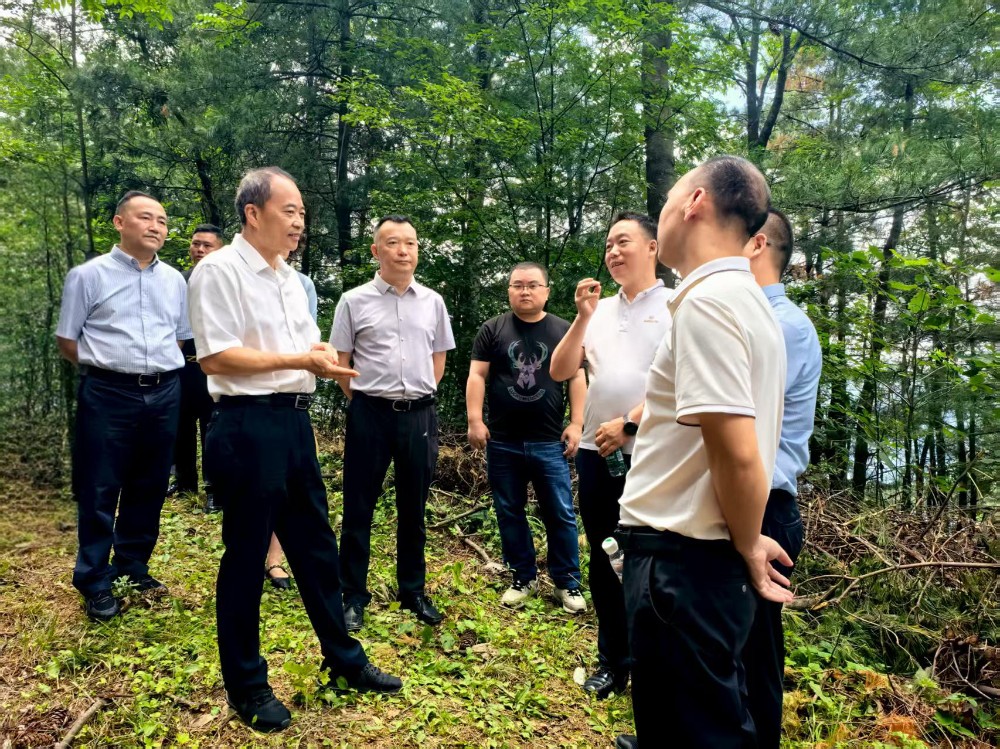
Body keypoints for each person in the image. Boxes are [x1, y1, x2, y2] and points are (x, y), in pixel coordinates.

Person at [188, 167, 401, 732]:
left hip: (293, 423)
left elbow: (304, 347)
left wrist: (320, 356)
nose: (300, 222)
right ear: (253, 213)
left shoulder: (288, 278)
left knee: (315, 547)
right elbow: (216, 357)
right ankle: (247, 686)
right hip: (245, 424)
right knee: (246, 555)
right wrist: (299, 360)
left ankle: (344, 658)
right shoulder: (219, 271)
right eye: (290, 211)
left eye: (303, 212)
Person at [613, 156, 793, 749]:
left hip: (682, 571)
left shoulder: (709, 303)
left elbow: (738, 454)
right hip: (693, 567)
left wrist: (747, 543)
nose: (661, 213)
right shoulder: (744, 299)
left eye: (668, 199)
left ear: (694, 202)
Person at [549, 212, 671, 697]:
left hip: (654, 454)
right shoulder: (597, 311)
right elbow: (560, 370)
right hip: (597, 453)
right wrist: (581, 316)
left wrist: (630, 423)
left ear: (652, 247)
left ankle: (654, 665)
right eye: (608, 245)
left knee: (652, 560)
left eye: (623, 242)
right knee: (605, 556)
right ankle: (613, 662)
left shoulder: (676, 305)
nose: (613, 252)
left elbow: (680, 382)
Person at [56, 191, 191, 621]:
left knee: (150, 482)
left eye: (162, 221)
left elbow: (181, 337)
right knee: (99, 485)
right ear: (119, 222)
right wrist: (111, 370)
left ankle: (132, 565)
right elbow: (67, 340)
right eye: (145, 217)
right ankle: (94, 578)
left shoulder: (175, 280)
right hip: (107, 393)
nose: (156, 227)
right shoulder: (88, 275)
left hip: (165, 391)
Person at [330, 215, 455, 632]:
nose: (403, 251)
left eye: (411, 243)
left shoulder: (433, 301)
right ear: (376, 251)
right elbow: (341, 363)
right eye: (393, 243)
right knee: (358, 506)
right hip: (370, 414)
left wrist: (415, 395)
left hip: (419, 415)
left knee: (413, 508)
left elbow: (438, 361)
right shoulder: (353, 301)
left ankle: (412, 591)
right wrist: (368, 401)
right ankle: (352, 594)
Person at [740, 208, 822, 748]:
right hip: (745, 501)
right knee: (725, 643)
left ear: (758, 244)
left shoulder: (781, 326)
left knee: (755, 651)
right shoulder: (755, 317)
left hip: (765, 508)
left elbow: (738, 424)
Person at [467, 262, 588, 614]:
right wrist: (475, 419)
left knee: (560, 512)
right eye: (517, 285)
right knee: (509, 510)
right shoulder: (493, 329)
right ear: (509, 290)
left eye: (533, 285)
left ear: (546, 291)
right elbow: (477, 375)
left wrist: (577, 422)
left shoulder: (564, 330)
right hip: (502, 439)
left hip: (549, 440)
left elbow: (577, 377)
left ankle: (567, 582)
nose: (525, 291)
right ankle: (523, 577)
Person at [169, 224, 225, 512]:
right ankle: (184, 482)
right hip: (182, 364)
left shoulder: (226, 282)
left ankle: (214, 489)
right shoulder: (179, 281)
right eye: (196, 244)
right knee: (181, 425)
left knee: (212, 428)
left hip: (214, 367)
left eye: (207, 245)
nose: (200, 250)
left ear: (220, 250)